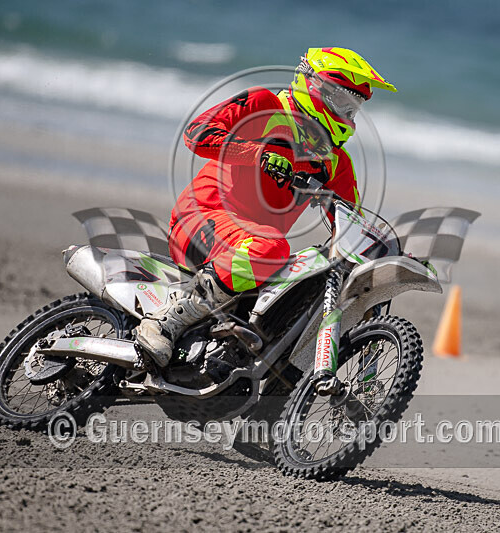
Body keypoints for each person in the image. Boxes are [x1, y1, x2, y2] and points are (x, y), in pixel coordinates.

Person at [135, 47, 396, 367]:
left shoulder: (337, 163)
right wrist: (257, 153)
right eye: (343, 102)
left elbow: (350, 222)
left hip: (250, 248)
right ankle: (164, 320)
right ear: (316, 87)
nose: (349, 114)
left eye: (354, 107)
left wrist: (386, 250)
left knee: (311, 279)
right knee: (271, 247)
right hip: (201, 217)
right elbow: (196, 134)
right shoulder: (264, 105)